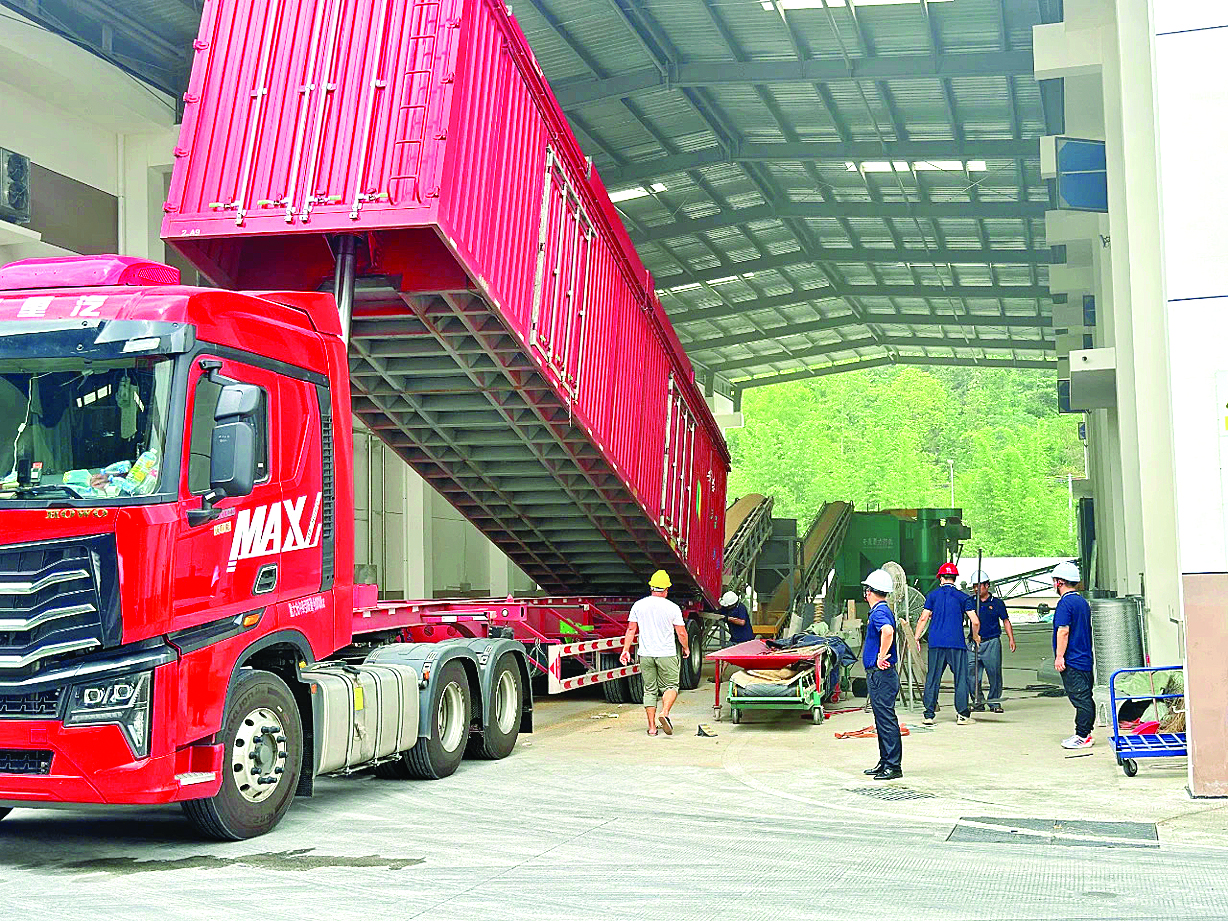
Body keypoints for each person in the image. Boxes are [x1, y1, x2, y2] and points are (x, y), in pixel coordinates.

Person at [620, 569, 688, 736]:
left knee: (649, 689)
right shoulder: (672, 607)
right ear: (666, 589)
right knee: (671, 686)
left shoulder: (638, 605)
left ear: (651, 587)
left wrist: (625, 650)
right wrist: (685, 647)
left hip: (646, 653)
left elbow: (630, 629)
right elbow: (681, 632)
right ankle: (664, 712)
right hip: (666, 653)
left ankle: (651, 728)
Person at [914, 562, 978, 726]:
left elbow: (923, 618)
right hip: (956, 643)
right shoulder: (963, 597)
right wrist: (975, 636)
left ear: (941, 578)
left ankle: (929, 715)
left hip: (936, 643)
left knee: (933, 678)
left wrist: (916, 637)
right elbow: (975, 621)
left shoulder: (933, 596)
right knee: (961, 679)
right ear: (955, 578)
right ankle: (962, 715)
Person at [861, 568, 902, 780]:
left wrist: (880, 655)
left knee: (886, 720)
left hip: (881, 675)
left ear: (869, 591)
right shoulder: (882, 610)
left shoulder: (879, 612)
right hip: (880, 676)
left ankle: (893, 766)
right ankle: (885, 761)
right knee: (882, 720)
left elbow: (888, 631)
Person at [1051, 561, 1094, 749]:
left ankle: (1083, 735)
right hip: (1084, 658)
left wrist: (1060, 656)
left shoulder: (1065, 603)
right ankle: (1083, 733)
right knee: (1084, 695)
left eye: (1054, 581)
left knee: (1081, 698)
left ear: (1060, 582)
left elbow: (1063, 631)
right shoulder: (1082, 602)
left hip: (1073, 660)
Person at [964, 570, 1015, 713]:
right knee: (971, 674)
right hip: (974, 643)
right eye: (974, 586)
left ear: (987, 586)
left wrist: (1011, 638)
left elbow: (1005, 620)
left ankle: (994, 702)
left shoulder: (997, 603)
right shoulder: (970, 602)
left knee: (994, 673)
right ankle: (977, 701)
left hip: (991, 642)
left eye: (979, 585)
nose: (976, 589)